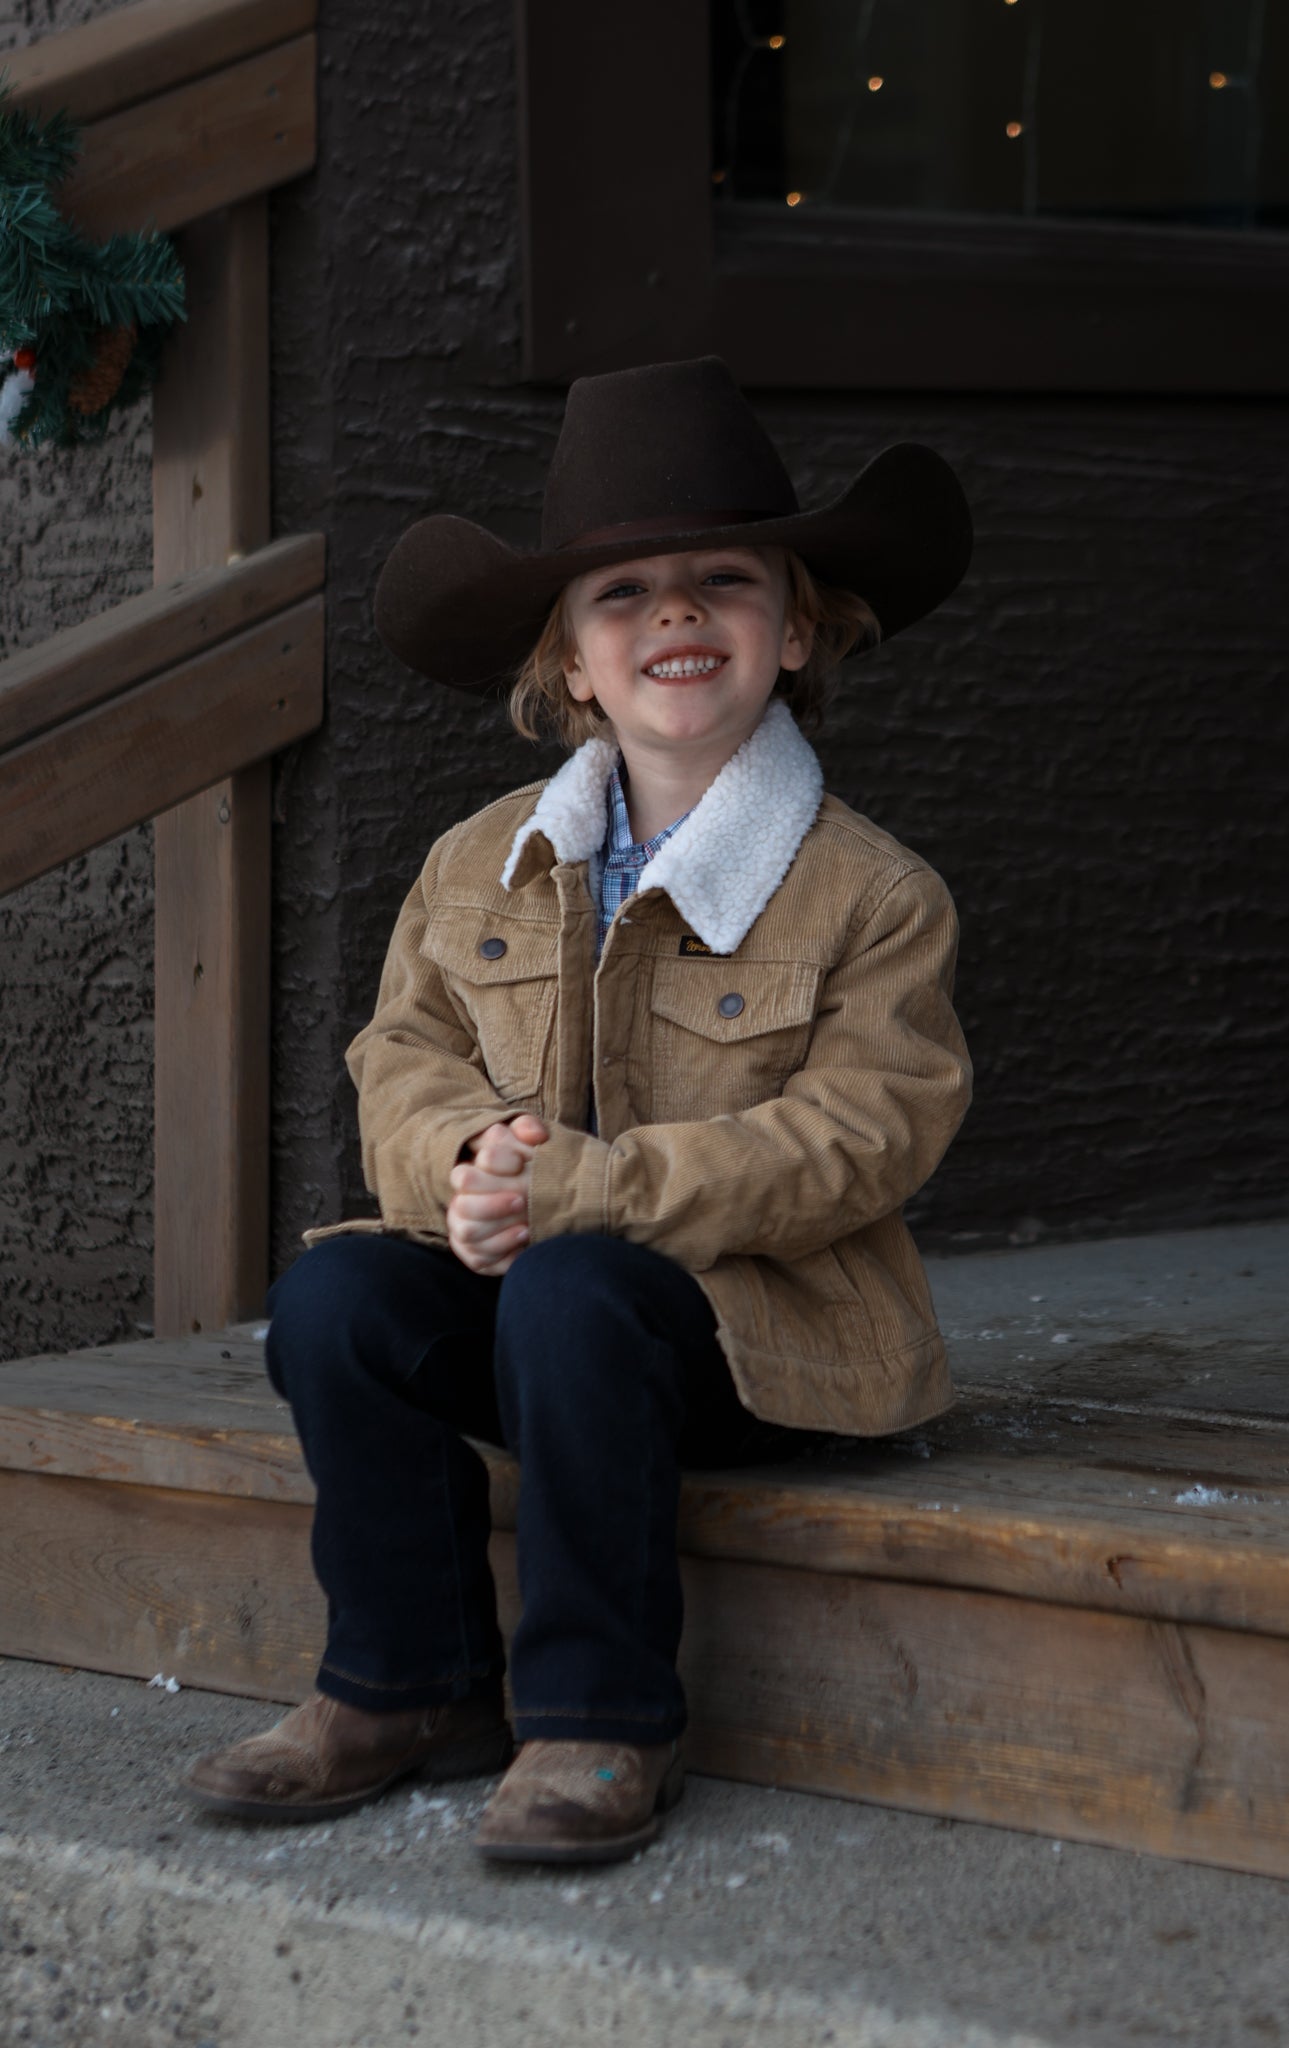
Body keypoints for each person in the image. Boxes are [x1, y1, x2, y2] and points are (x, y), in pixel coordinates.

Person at [182, 356, 974, 1865]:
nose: (673, 616)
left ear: (793, 627)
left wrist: (587, 1193)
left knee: (576, 1292)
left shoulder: (870, 892)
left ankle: (600, 1715)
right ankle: (402, 1685)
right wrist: (472, 1163)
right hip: (542, 1295)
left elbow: (862, 1133)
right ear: (569, 663)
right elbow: (399, 1055)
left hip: (758, 1343)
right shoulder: (477, 860)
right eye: (624, 596)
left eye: (720, 582)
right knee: (338, 1295)